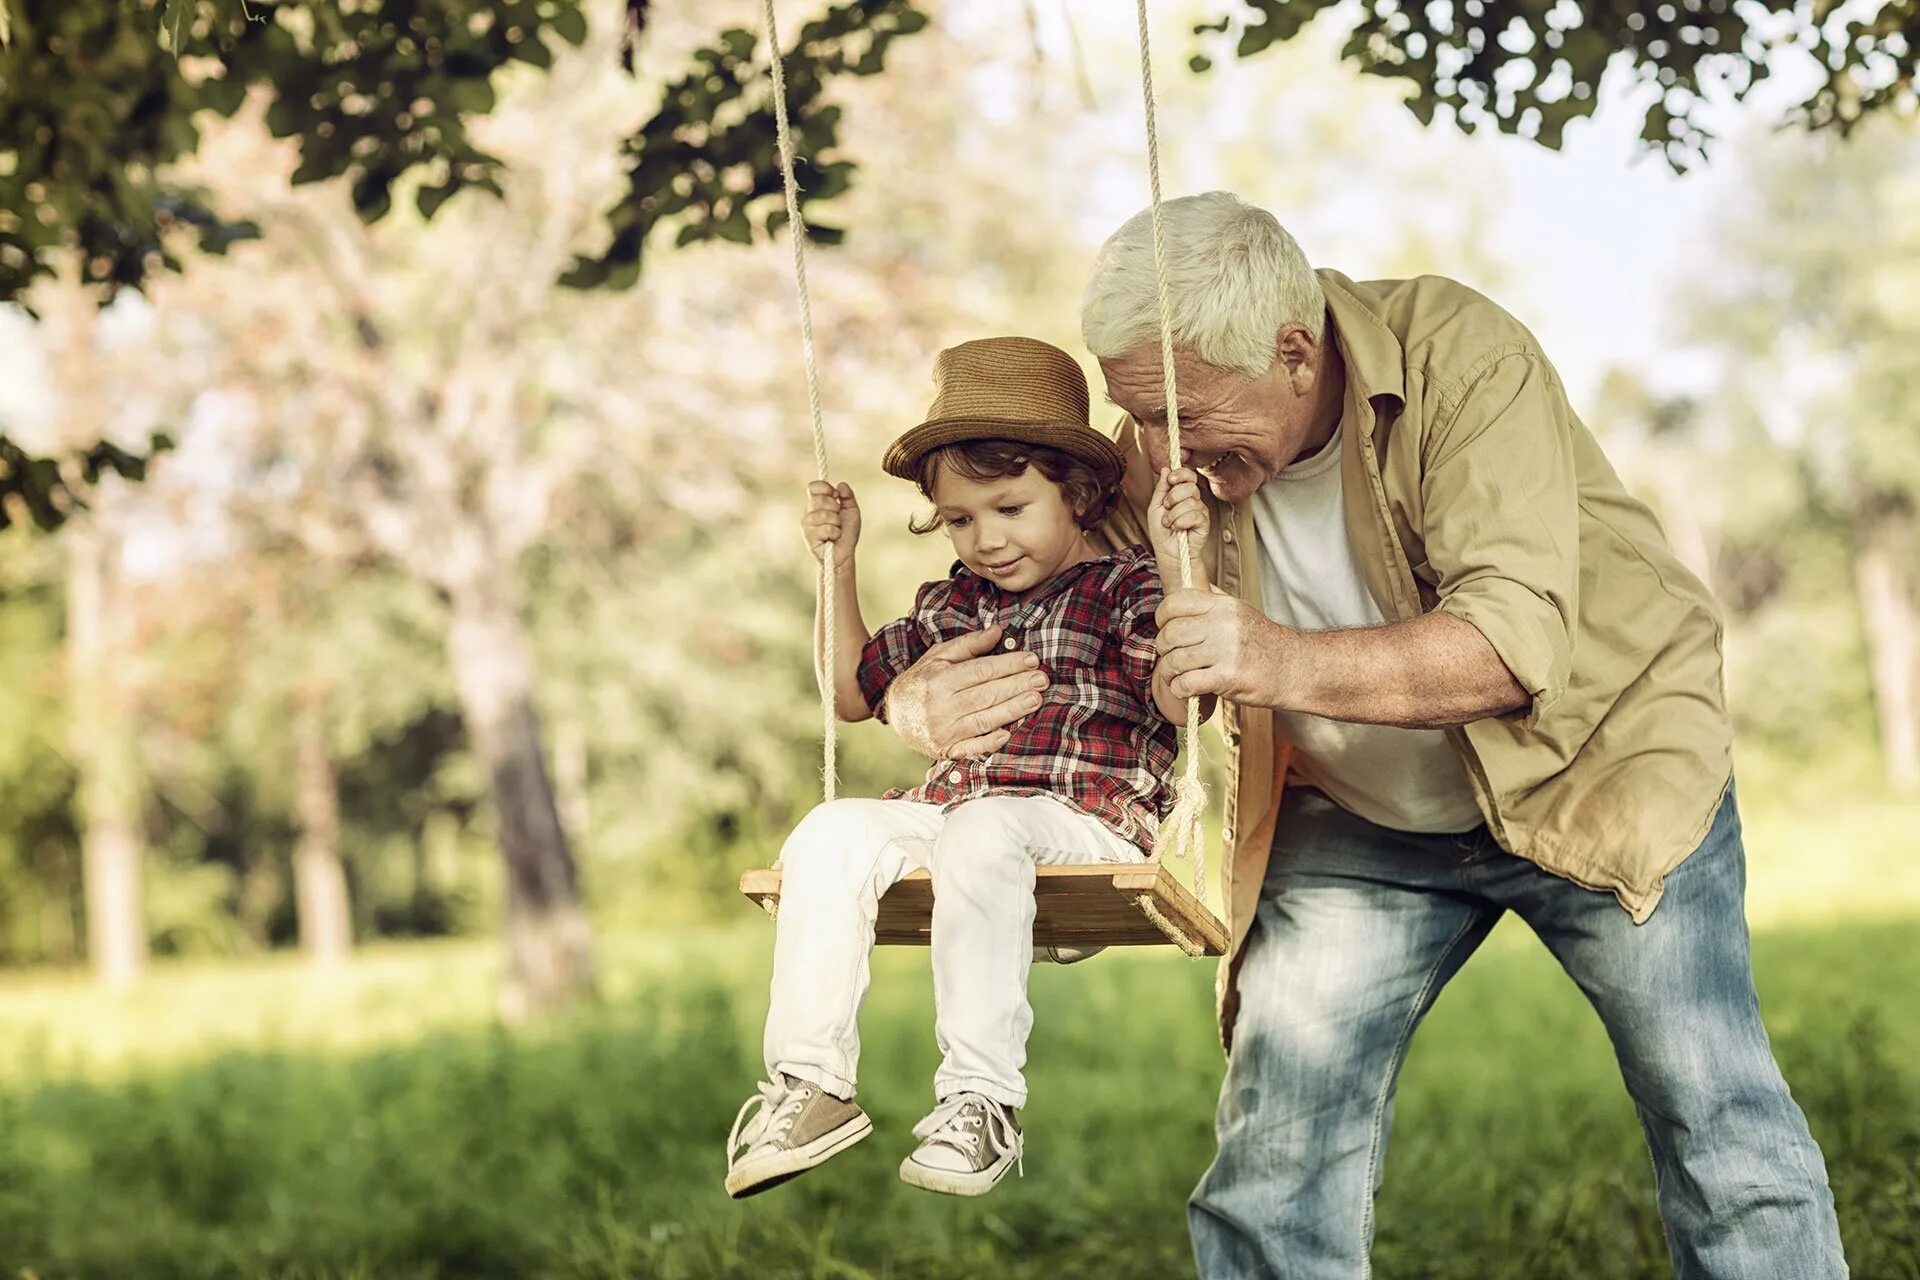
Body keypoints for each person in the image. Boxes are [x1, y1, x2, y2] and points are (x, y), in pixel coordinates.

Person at [880, 193, 1848, 1278]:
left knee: (1718, 1120)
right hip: (1356, 814)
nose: (1159, 452)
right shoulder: (1160, 443)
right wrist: (908, 694)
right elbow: (1028, 589)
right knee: (1275, 1160)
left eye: (1185, 417)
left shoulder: (1462, 359)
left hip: (1597, 766)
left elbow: (1508, 642)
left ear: (1295, 351)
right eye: (1138, 416)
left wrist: (1270, 659)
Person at [724, 335, 1212, 1201]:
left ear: (1082, 493)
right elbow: (850, 690)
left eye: (1009, 508)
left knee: (987, 830)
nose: (984, 539)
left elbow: (1189, 703)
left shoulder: (1124, 591)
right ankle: (810, 1086)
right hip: (958, 819)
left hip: (1084, 822)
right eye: (959, 519)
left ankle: (981, 1099)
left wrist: (1182, 567)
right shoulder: (951, 603)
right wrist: (837, 565)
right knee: (831, 830)